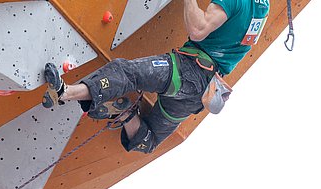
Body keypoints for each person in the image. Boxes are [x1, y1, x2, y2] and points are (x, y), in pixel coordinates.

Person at [42, 0, 270, 154]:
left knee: (127, 72)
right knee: (149, 141)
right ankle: (127, 115)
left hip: (188, 71)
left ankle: (66, 92)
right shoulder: (263, 8)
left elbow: (199, 29)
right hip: (199, 94)